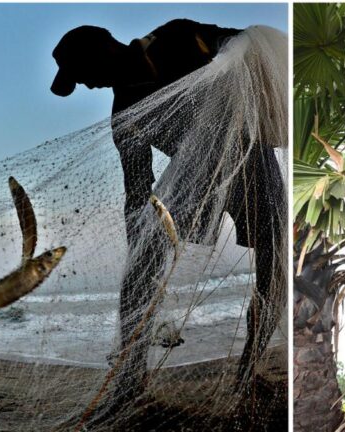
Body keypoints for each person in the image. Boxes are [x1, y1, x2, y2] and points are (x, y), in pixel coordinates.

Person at [50, 18, 285, 409]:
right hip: (192, 178)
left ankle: (249, 369)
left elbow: (245, 45)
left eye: (83, 74)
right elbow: (138, 191)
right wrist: (139, 245)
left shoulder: (176, 37)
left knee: (273, 261)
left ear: (106, 49)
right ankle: (130, 377)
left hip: (249, 159)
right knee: (141, 264)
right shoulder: (125, 114)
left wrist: (229, 61)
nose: (87, 85)